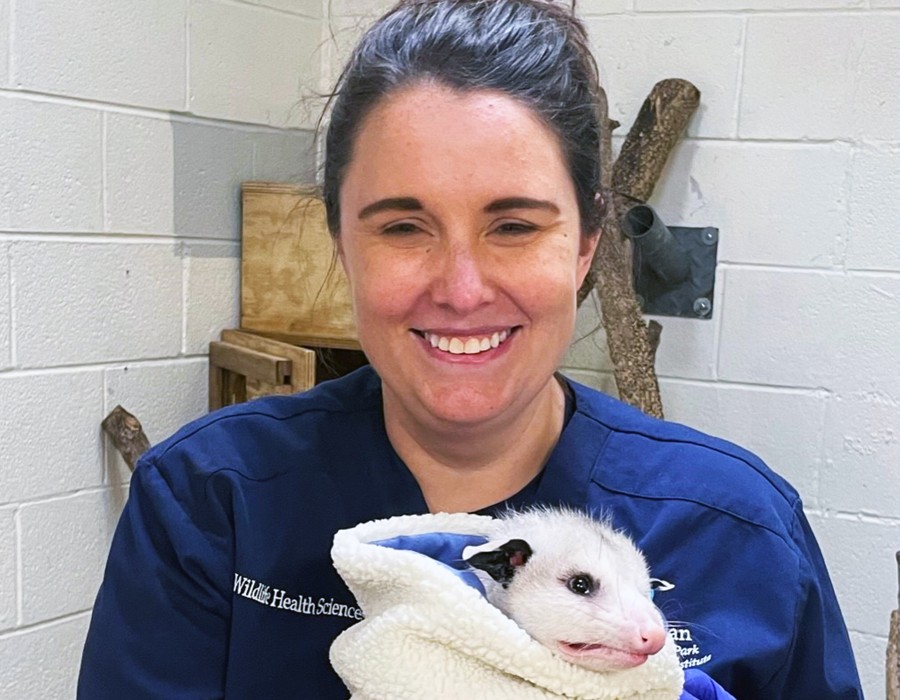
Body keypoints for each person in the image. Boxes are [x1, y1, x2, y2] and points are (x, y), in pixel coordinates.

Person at [77, 1, 863, 698]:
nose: (461, 289)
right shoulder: (210, 505)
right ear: (341, 244)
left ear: (587, 243)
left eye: (515, 226)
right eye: (402, 227)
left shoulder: (740, 530)